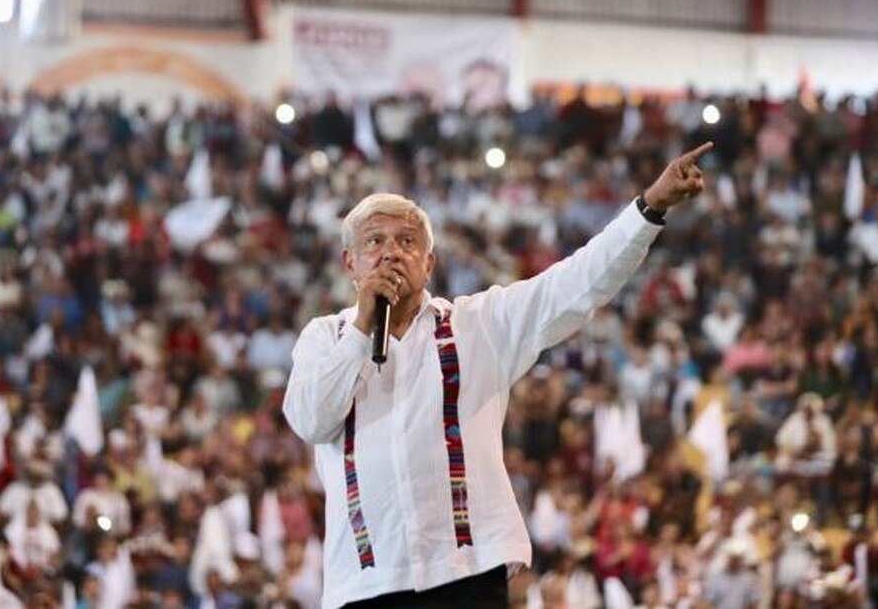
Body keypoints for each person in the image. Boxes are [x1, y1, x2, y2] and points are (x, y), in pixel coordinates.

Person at [282, 142, 713, 608]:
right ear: (350, 263)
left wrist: (648, 208)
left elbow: (577, 283)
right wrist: (363, 329)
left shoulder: (477, 324)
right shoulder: (326, 337)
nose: (391, 254)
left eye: (407, 242)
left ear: (429, 263)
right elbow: (310, 421)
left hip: (466, 574)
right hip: (365, 585)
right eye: (374, 242)